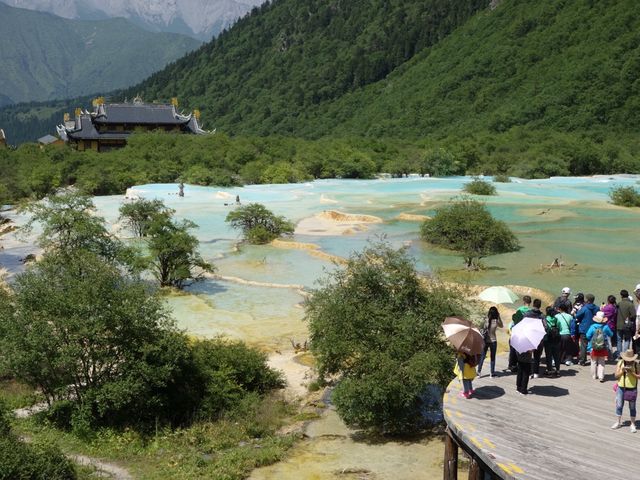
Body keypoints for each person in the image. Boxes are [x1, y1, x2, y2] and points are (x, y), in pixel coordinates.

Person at [612, 349, 640, 432]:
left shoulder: (636, 365)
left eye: (630, 360)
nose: (628, 362)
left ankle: (632, 424)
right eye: (627, 360)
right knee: (619, 405)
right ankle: (618, 422)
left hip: (632, 388)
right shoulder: (620, 363)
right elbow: (616, 376)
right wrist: (622, 371)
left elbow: (639, 376)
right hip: (621, 387)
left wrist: (632, 372)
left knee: (632, 407)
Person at [586, 311, 614, 382]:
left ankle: (594, 375)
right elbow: (611, 334)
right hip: (602, 347)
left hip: (593, 347)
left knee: (593, 361)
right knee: (601, 362)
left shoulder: (592, 327)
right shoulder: (606, 327)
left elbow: (587, 336)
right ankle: (601, 376)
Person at [477, 306, 503, 378]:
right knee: (492, 357)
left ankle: (478, 372)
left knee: (482, 356)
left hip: (485, 340)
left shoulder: (486, 320)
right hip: (493, 341)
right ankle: (492, 373)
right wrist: (499, 317)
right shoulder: (496, 321)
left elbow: (481, 328)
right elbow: (502, 326)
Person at [509, 295, 531, 372]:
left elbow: (515, 321)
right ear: (530, 302)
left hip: (518, 331)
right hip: (526, 332)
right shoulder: (530, 311)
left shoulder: (519, 310)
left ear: (524, 301)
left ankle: (513, 365)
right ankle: (521, 364)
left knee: (514, 349)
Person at [524, 299, 546, 379]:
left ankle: (529, 372)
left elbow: (523, 324)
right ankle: (536, 372)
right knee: (537, 357)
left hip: (529, 337)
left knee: (528, 356)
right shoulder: (542, 315)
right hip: (538, 338)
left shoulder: (527, 314)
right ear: (540, 306)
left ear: (533, 304)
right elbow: (546, 327)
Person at [576, 294, 599, 366]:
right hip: (594, 328)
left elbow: (577, 315)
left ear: (588, 300)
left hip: (584, 329)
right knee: (595, 344)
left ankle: (583, 360)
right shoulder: (597, 308)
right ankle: (595, 359)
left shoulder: (584, 308)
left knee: (583, 345)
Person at [616, 290, 635, 358]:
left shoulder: (619, 303)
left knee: (619, 340)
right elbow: (633, 315)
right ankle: (624, 354)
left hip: (619, 325)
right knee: (627, 339)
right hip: (627, 325)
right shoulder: (630, 304)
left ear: (621, 296)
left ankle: (619, 355)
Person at [545, 306, 561, 377]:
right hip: (556, 339)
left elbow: (545, 329)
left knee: (549, 356)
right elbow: (559, 328)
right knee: (556, 355)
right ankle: (557, 370)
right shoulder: (556, 319)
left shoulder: (546, 319)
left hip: (548, 339)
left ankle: (549, 371)